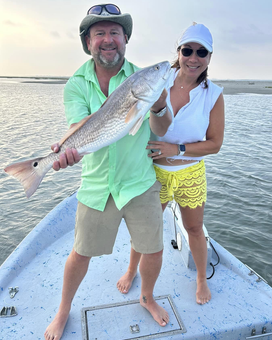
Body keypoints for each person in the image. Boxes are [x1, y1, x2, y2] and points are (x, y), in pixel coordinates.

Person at [44, 4, 172, 340]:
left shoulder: (144, 78)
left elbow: (160, 128)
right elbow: (78, 126)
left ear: (126, 39)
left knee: (154, 249)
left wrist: (158, 104)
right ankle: (62, 311)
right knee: (80, 253)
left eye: (115, 32)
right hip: (97, 184)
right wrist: (64, 150)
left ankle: (146, 296)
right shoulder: (76, 84)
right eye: (99, 33)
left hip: (139, 182)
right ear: (88, 42)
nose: (108, 39)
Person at [117, 22, 225, 305]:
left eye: (202, 52)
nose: (194, 58)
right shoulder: (158, 80)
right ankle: (131, 271)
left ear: (210, 57)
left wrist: (175, 148)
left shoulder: (213, 94)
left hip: (191, 172)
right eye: (188, 50)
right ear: (178, 52)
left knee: (194, 229)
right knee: (146, 230)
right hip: (154, 172)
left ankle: (201, 278)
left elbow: (214, 144)